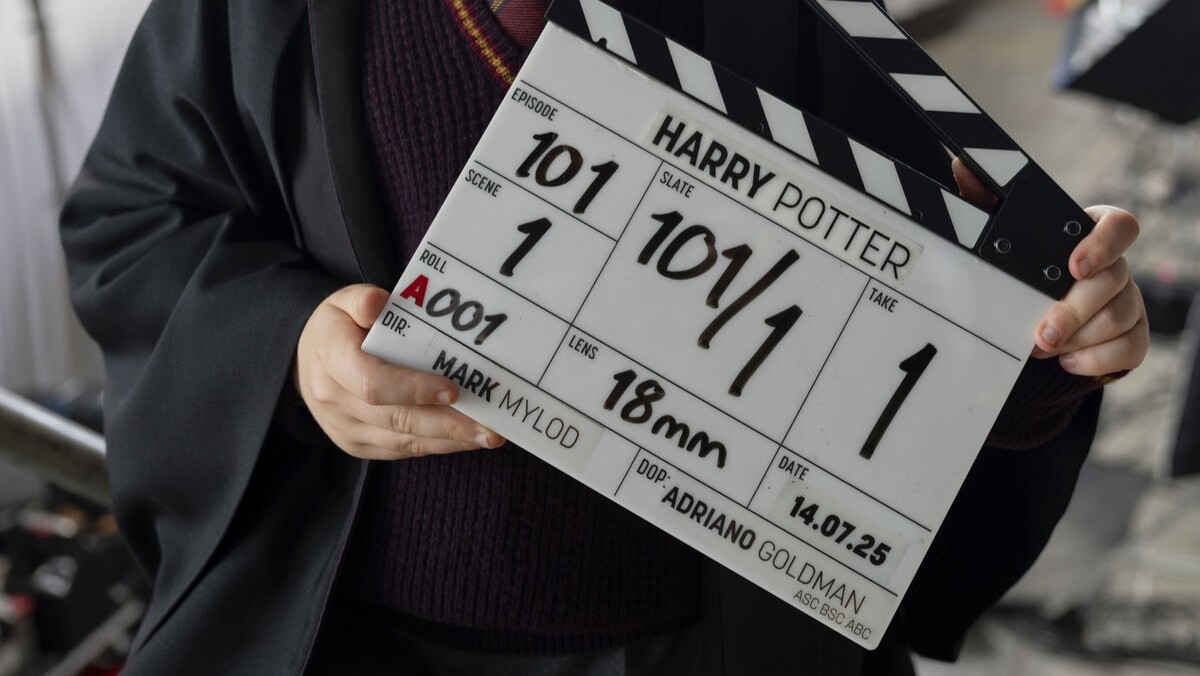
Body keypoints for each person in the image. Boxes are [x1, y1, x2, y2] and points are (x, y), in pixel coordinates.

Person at [60, 0, 1148, 673]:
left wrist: (1041, 345)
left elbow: (933, 326)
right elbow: (135, 215)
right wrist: (287, 345)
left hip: (725, 641)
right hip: (357, 633)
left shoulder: (798, 19)